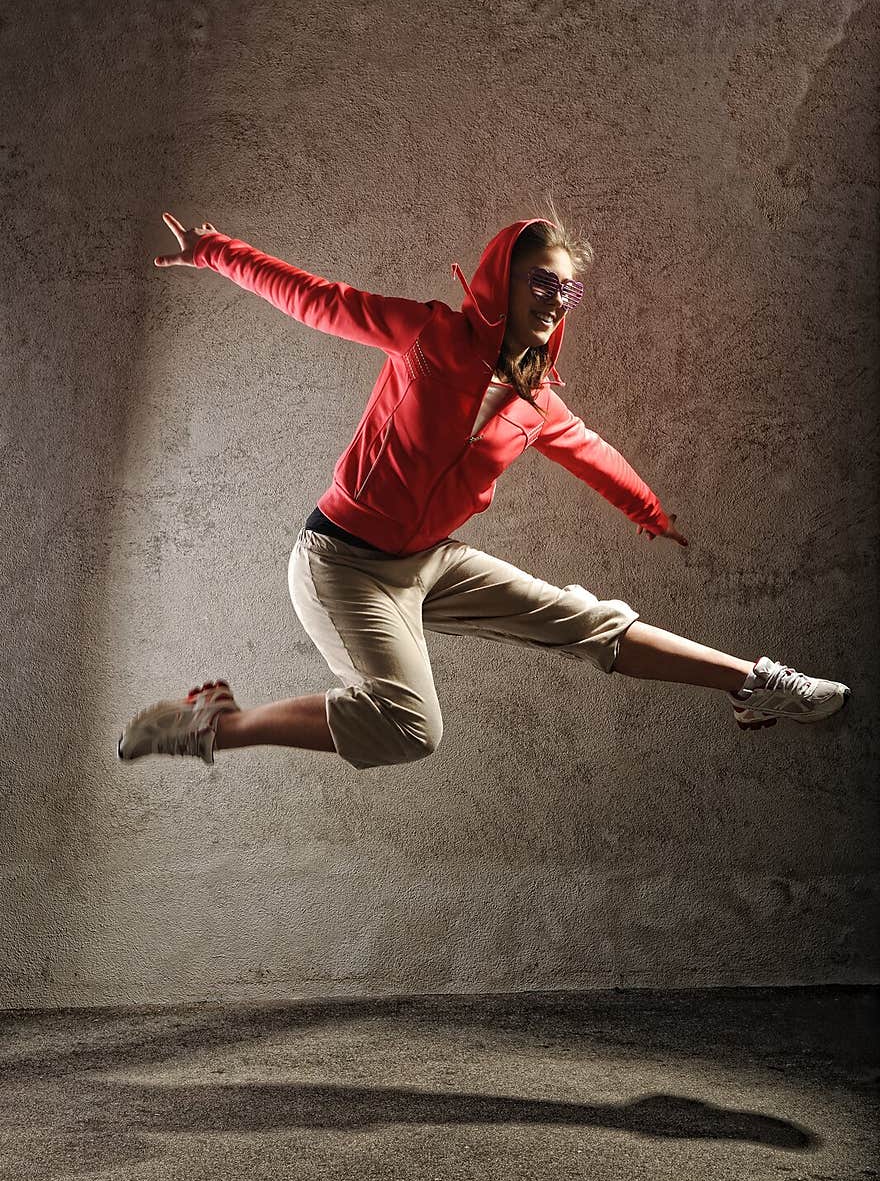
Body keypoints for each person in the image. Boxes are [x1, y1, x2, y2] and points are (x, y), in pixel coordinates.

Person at [117, 206, 850, 769]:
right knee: (411, 727)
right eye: (542, 282)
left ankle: (754, 685)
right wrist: (214, 252)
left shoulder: (538, 404)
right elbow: (318, 298)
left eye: (568, 289)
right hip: (341, 562)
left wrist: (649, 511)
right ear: (504, 279)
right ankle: (218, 723)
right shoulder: (429, 337)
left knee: (581, 619)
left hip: (431, 562)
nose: (557, 299)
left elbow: (593, 453)